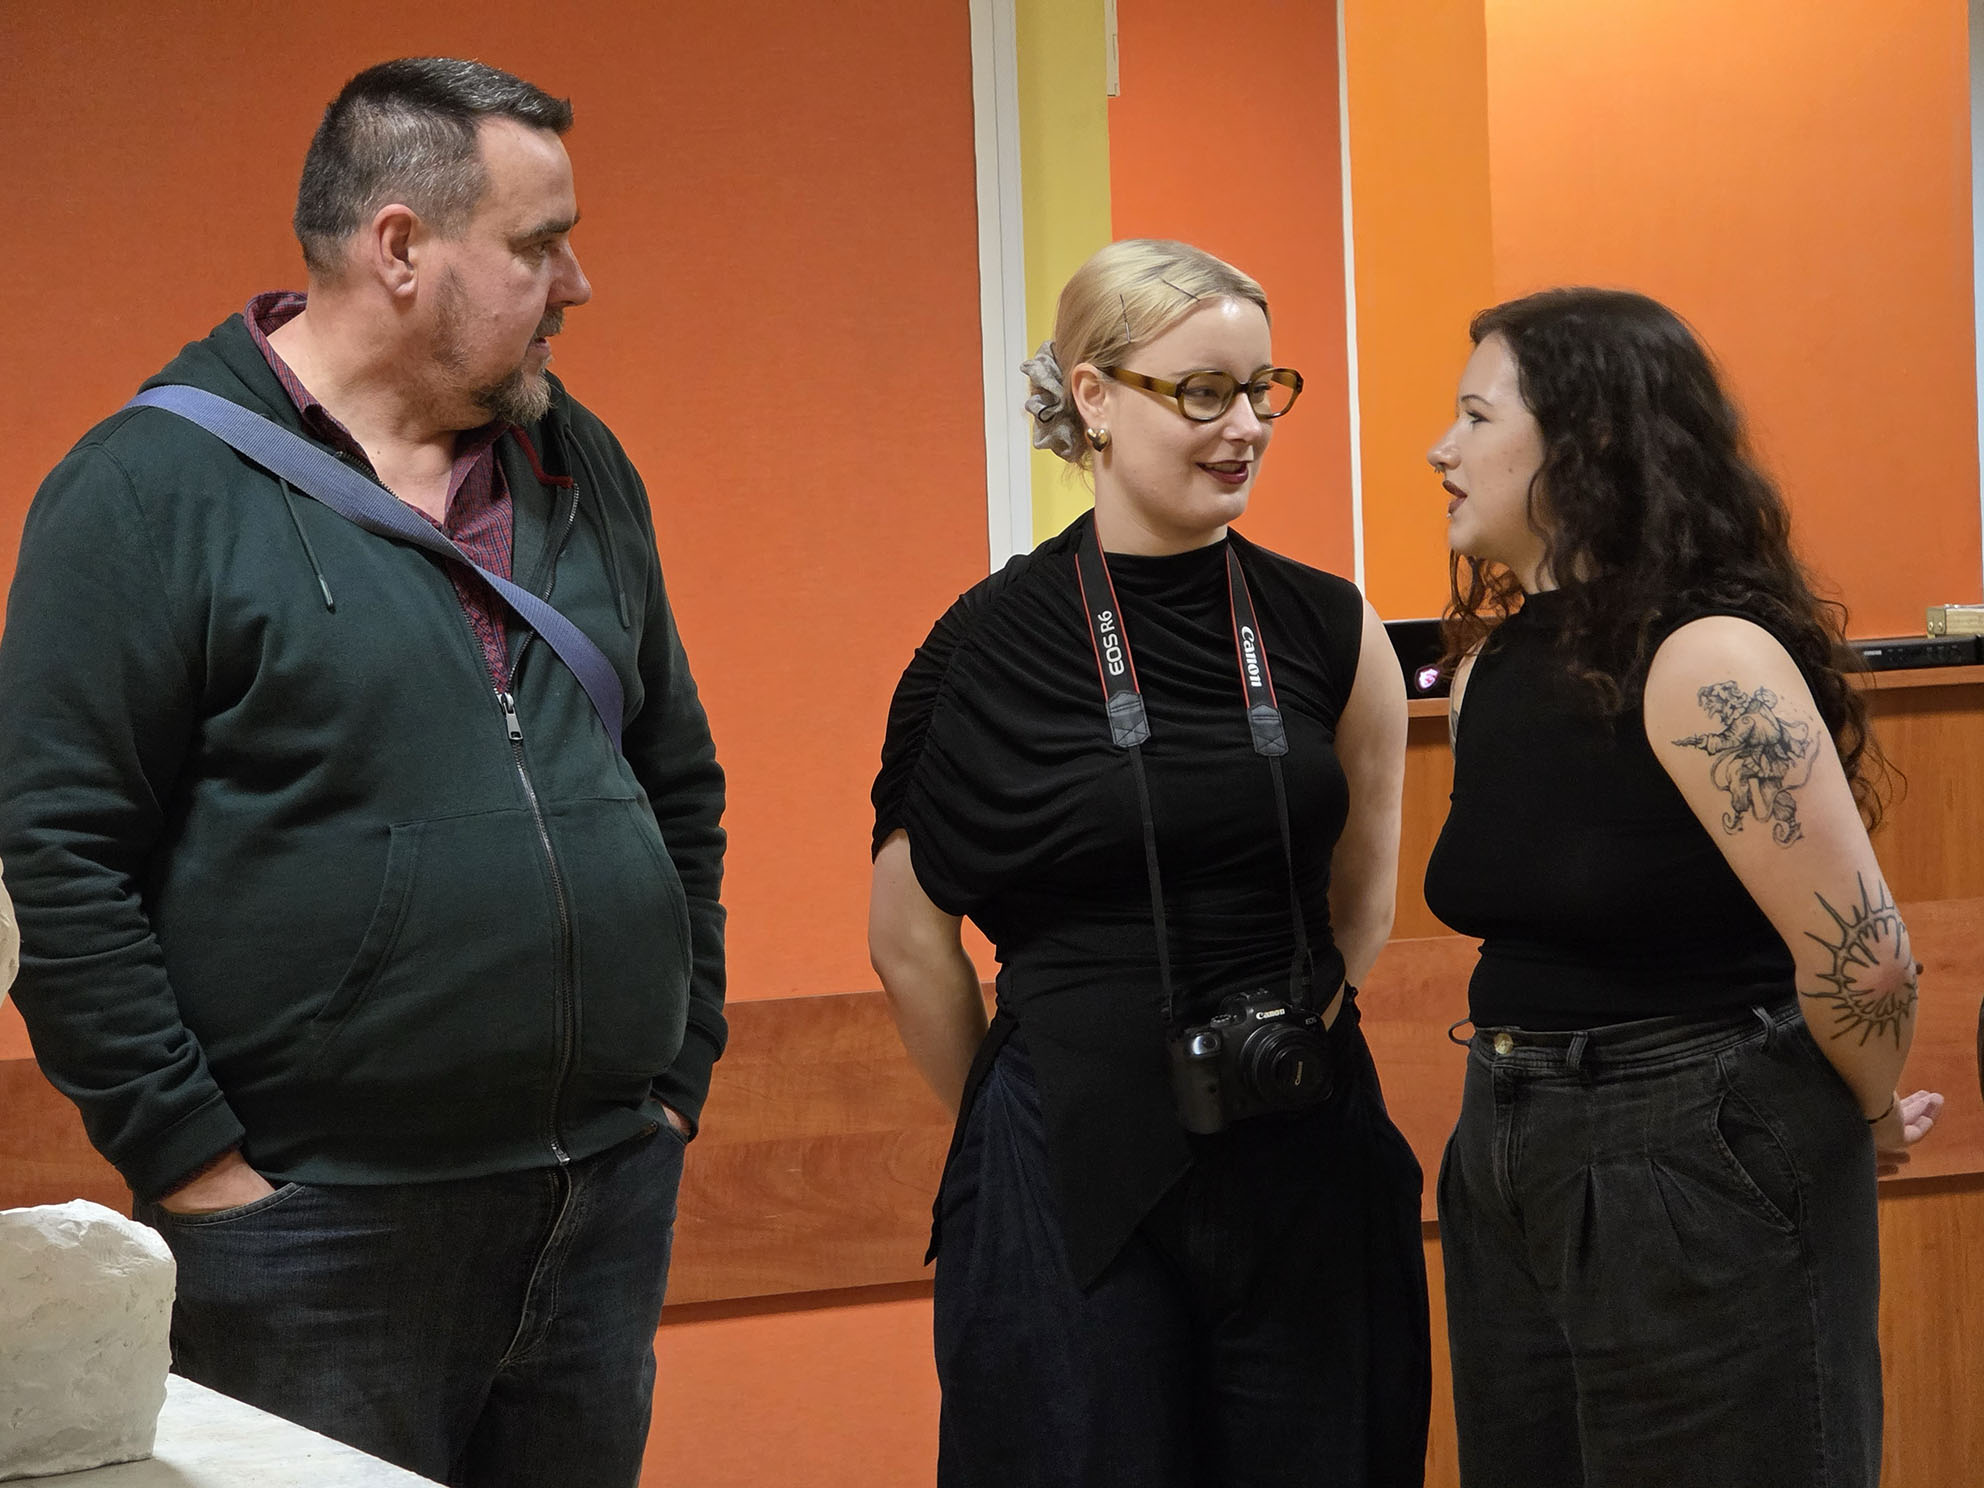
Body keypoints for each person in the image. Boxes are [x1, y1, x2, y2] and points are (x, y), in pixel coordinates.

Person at [0, 58, 725, 1488]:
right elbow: (51, 855)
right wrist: (198, 1163)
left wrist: (676, 1070)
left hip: (600, 1199)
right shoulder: (148, 489)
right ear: (400, 245)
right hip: (312, 1231)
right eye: (537, 244)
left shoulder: (577, 462)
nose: (575, 283)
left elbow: (675, 781)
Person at [869, 238, 1430, 1487]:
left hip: (1303, 1146)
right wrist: (1029, 1116)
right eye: (1203, 393)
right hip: (1069, 1163)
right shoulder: (984, 646)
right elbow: (908, 940)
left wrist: (1300, 1021)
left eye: (1262, 390)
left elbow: (1363, 895)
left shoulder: (1329, 625)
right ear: (1094, 398)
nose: (1245, 428)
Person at [1423, 287, 1943, 1488]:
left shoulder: (1707, 659)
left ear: (1587, 441)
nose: (1441, 450)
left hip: (1688, 1141)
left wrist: (1861, 1116)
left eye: (1475, 416)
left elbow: (1864, 961)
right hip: (1507, 1132)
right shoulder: (1492, 666)